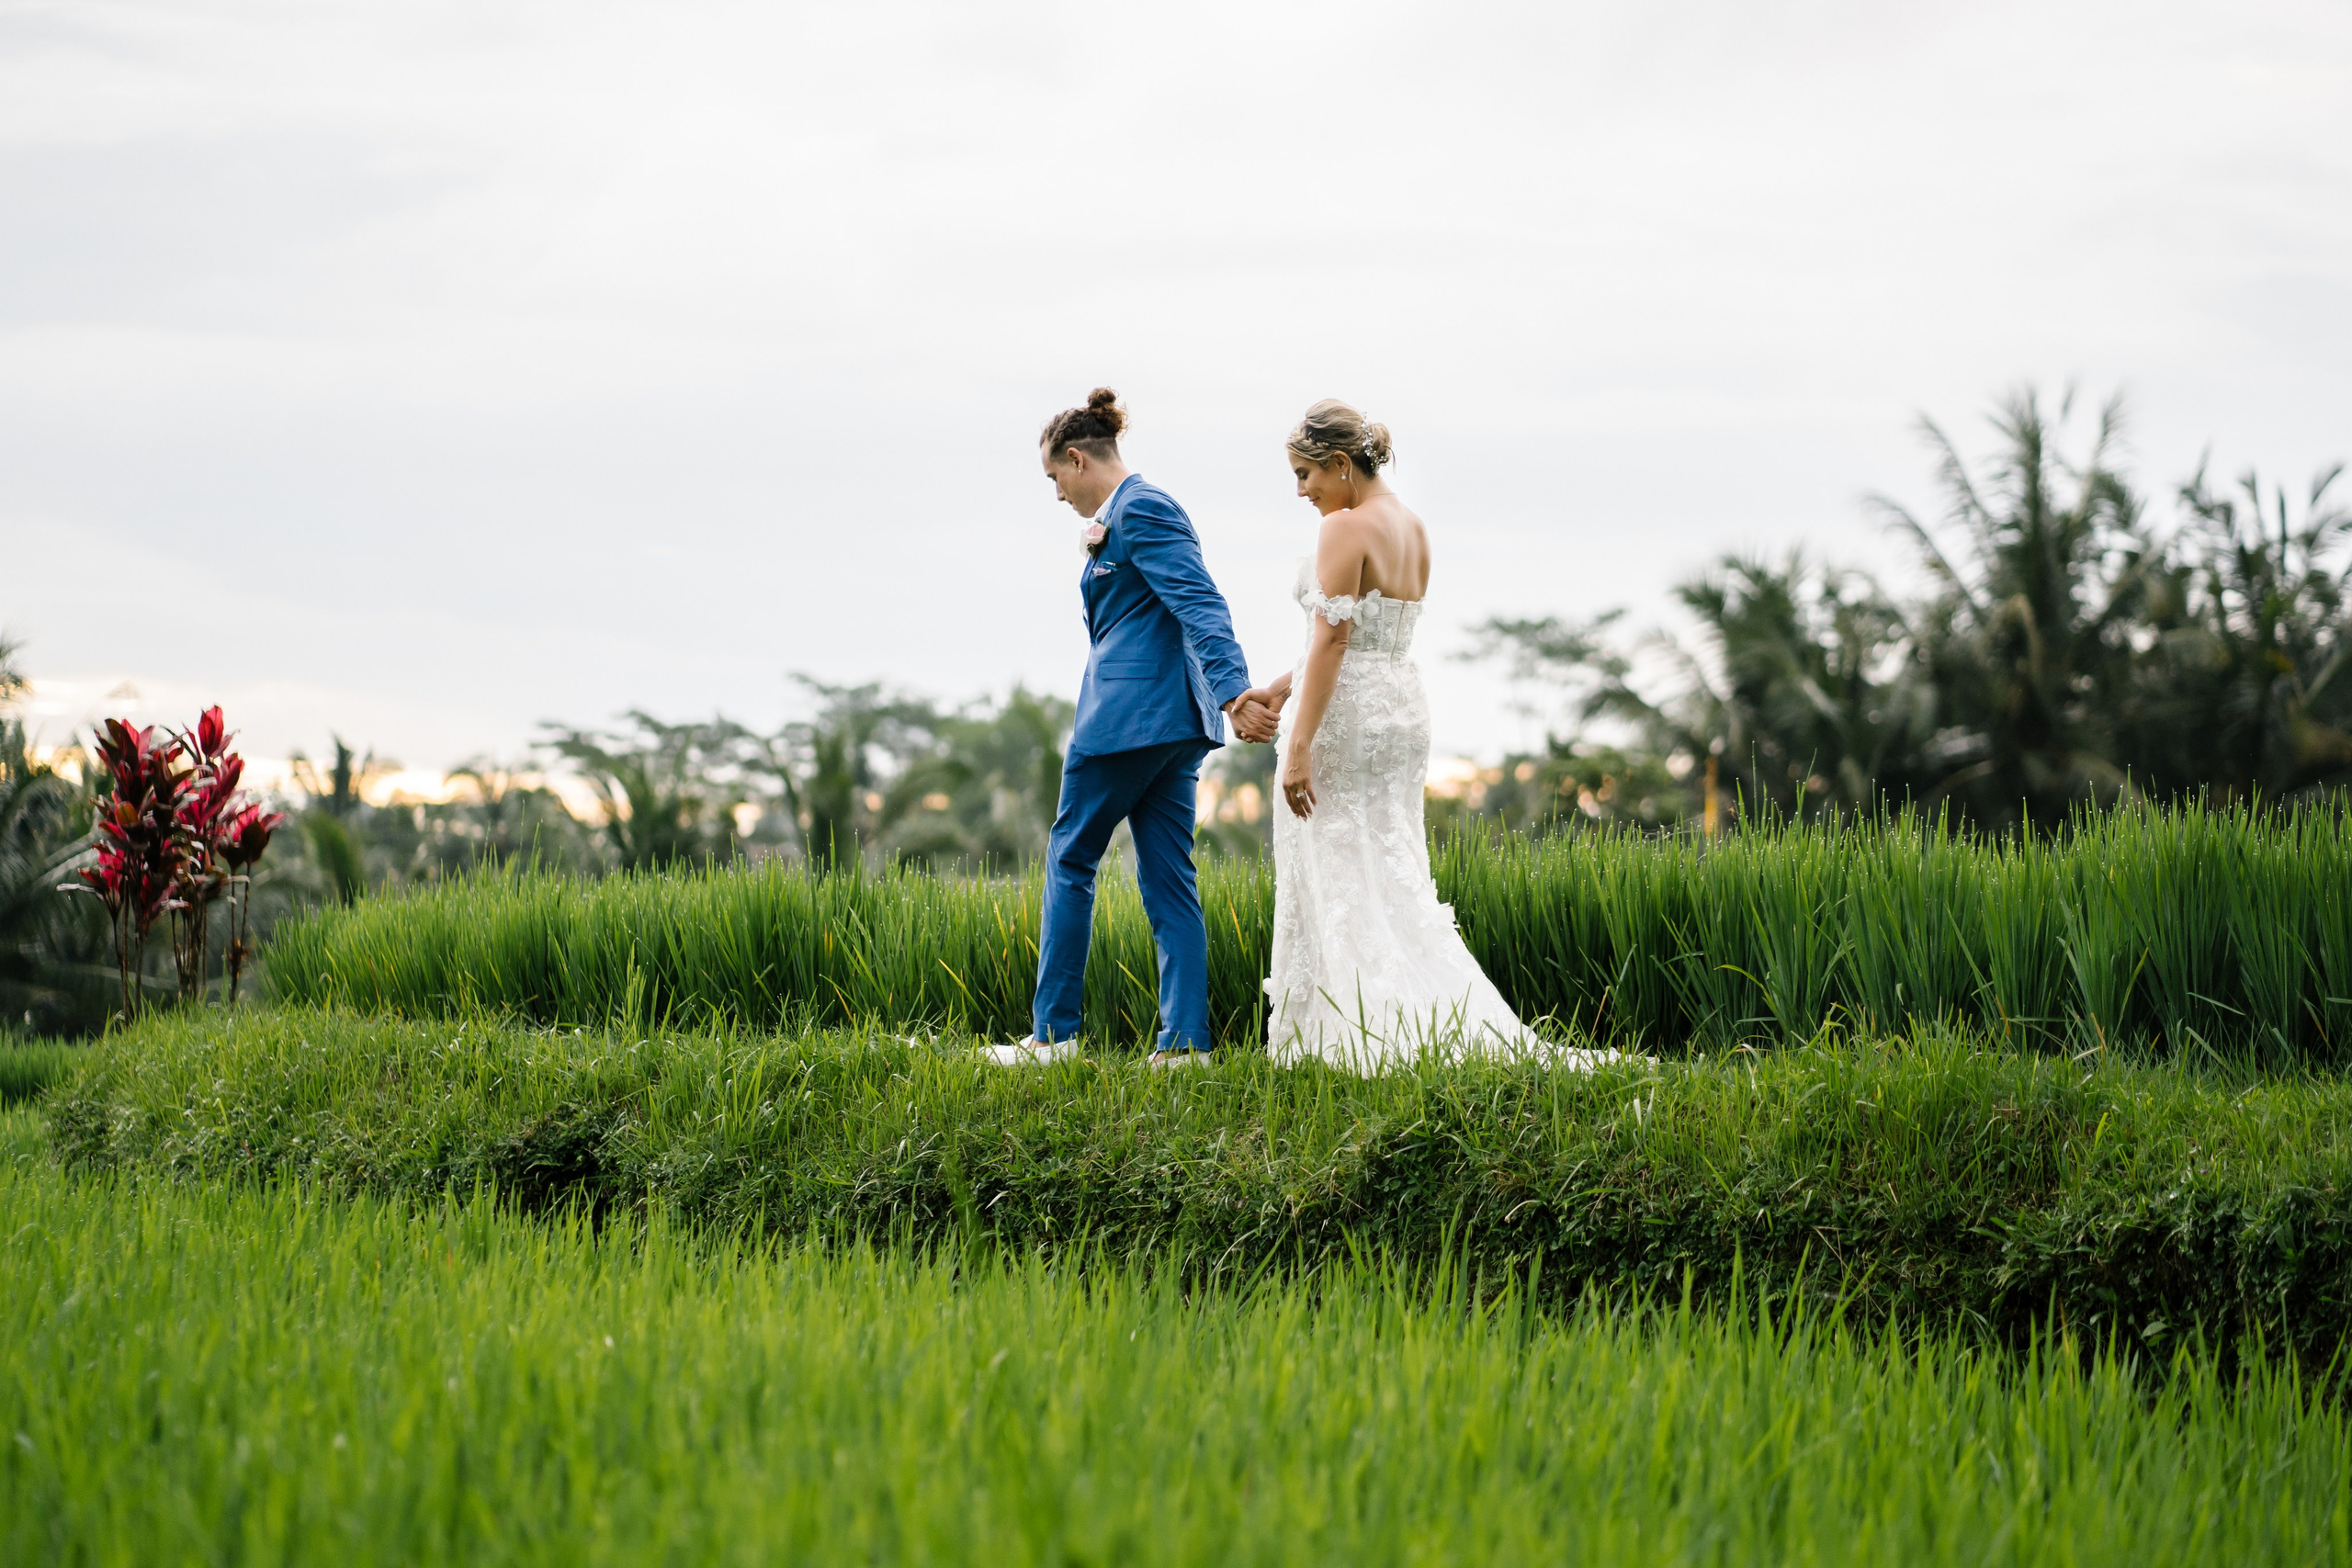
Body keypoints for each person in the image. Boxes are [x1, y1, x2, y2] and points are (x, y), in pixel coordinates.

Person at [1234, 400, 1623, 1072]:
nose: (1301, 492)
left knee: (1339, 864)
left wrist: (1297, 744)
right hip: (1399, 711)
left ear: (1340, 463)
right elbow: (1362, 639)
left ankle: (1350, 1035)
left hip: (1345, 722)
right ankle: (1413, 1019)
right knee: (1389, 868)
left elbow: (1334, 641)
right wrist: (1278, 688)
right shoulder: (1412, 525)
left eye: (1305, 475)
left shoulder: (1343, 528)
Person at [984, 389, 1275, 1069]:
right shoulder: (1127, 514)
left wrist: (1235, 691)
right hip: (1171, 723)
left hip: (1127, 720)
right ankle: (1184, 1046)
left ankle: (1052, 1038)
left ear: (1077, 459)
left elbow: (1200, 601)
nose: (1057, 494)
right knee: (1169, 877)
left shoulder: (1142, 508)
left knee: (1070, 858)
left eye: (1055, 477)